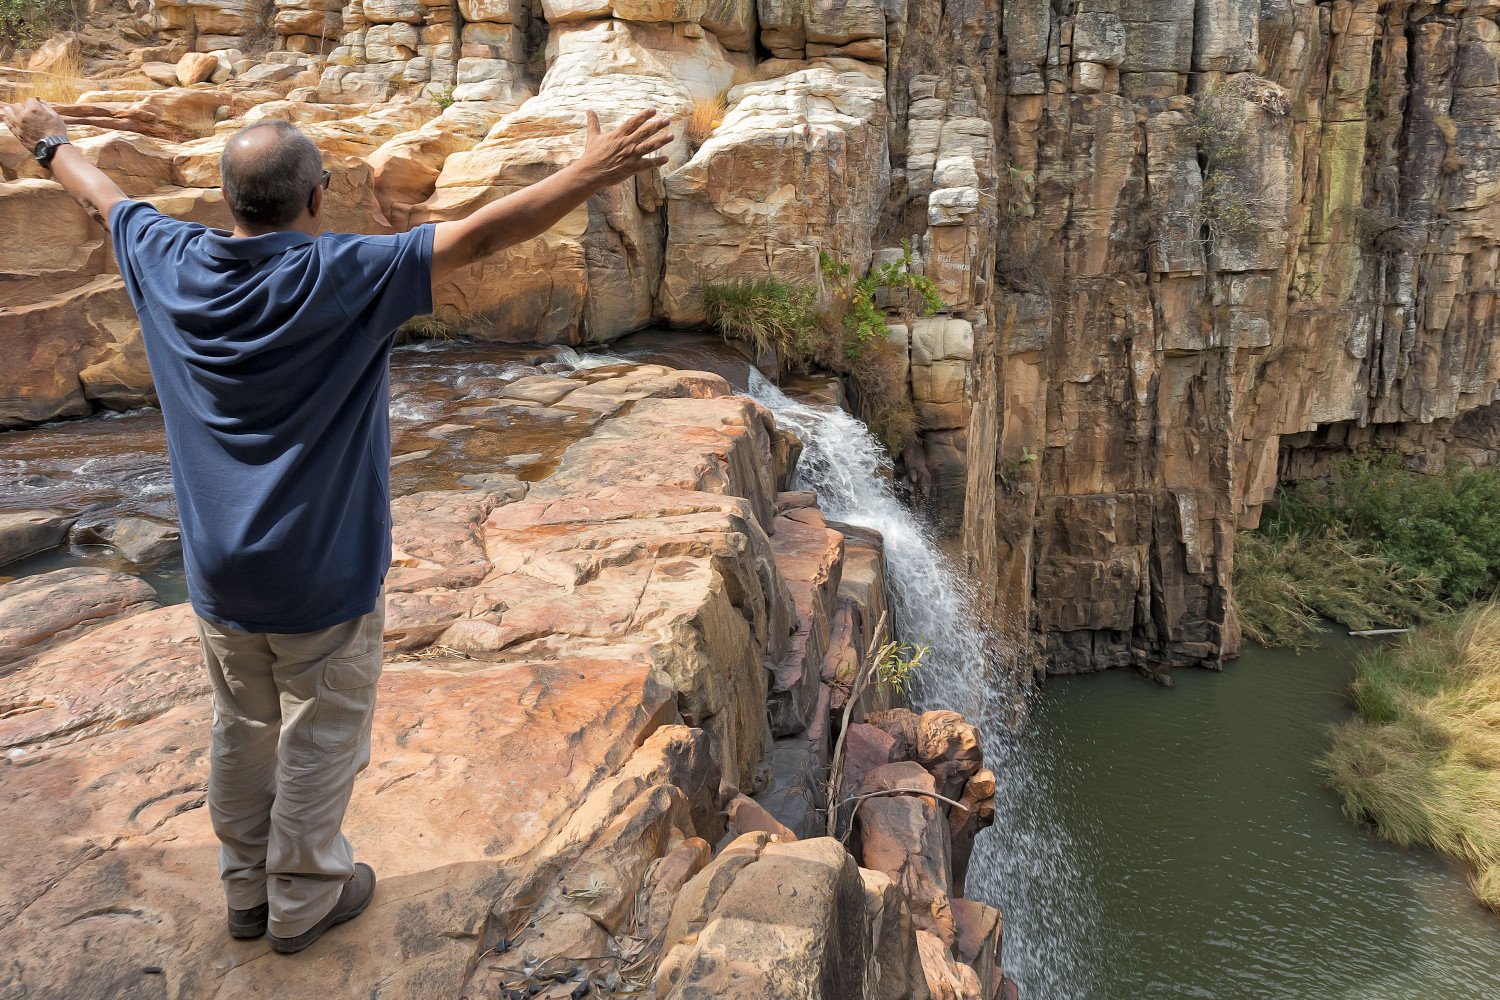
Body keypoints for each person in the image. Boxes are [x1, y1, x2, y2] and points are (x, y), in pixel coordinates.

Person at [0, 98, 672, 954]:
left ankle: (245, 891)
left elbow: (100, 196)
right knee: (321, 730)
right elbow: (480, 238)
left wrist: (47, 140)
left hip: (217, 574)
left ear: (226, 199)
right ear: (318, 197)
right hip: (325, 575)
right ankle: (305, 895)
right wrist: (592, 172)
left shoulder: (165, 257)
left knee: (241, 726)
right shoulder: (344, 275)